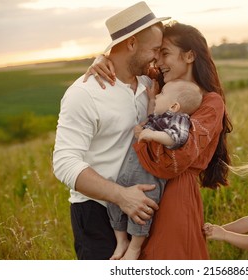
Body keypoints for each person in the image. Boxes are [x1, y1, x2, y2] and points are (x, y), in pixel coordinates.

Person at [85, 21, 233, 259]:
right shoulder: (160, 84)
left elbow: (174, 160)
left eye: (165, 53)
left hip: (175, 197)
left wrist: (143, 138)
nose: (158, 62)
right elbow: (125, 63)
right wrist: (102, 60)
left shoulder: (210, 102)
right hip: (144, 193)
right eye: (157, 53)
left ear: (189, 56)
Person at [52, 2, 170, 260]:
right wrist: (121, 196)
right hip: (97, 214)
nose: (157, 57)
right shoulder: (84, 94)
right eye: (154, 49)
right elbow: (64, 162)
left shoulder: (151, 84)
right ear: (131, 43)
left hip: (142, 213)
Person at [109, 79, 202, 260]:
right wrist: (152, 99)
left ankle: (135, 247)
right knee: (113, 201)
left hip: (149, 178)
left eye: (163, 94)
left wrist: (152, 135)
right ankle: (121, 240)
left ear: (174, 106)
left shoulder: (180, 119)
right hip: (130, 170)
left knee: (143, 211)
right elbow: (152, 113)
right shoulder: (159, 117)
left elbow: (177, 138)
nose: (159, 95)